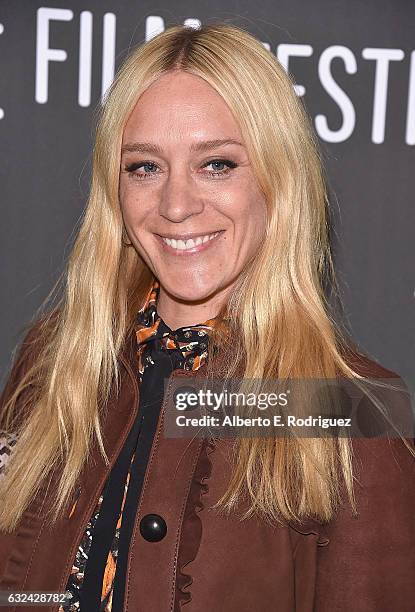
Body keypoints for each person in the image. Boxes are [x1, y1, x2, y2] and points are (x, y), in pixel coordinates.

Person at [0, 23, 414, 612]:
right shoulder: (55, 361)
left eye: (216, 164)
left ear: (278, 181)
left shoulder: (348, 408)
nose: (175, 205)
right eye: (145, 167)